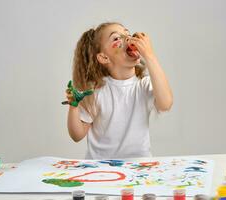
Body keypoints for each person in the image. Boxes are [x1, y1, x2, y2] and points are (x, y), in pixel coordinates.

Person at [65, 22, 173, 159]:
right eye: (116, 38)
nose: (128, 38)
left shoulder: (143, 85)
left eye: (128, 34)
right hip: (100, 168)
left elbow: (166, 104)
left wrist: (150, 56)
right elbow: (77, 135)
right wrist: (73, 106)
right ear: (104, 57)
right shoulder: (95, 90)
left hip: (138, 168)